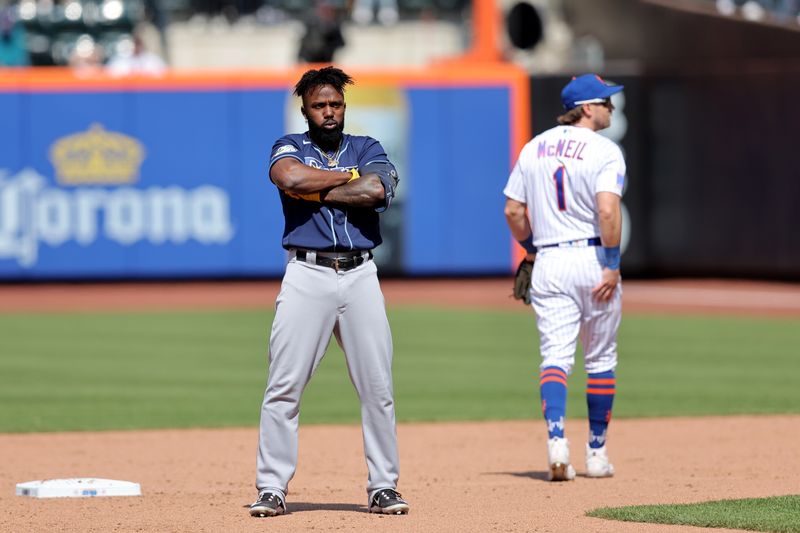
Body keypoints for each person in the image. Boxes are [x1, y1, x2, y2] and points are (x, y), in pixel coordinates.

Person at [250, 66, 408, 517]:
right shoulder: (290, 146)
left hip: (360, 275)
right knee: (285, 385)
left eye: (335, 104)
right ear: (305, 109)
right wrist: (344, 179)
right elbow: (290, 179)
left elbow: (376, 189)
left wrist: (321, 188)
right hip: (307, 273)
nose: (329, 112)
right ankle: (272, 487)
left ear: (345, 106)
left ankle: (384, 485)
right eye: (319, 105)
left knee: (377, 386)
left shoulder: (367, 147)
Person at [503, 74, 625, 481]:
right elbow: (608, 212)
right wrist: (611, 263)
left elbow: (513, 212)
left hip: (550, 260)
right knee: (600, 359)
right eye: (606, 101)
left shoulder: (533, 147)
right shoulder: (605, 150)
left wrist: (533, 250)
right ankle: (596, 453)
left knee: (555, 358)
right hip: (592, 258)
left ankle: (557, 441)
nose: (611, 107)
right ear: (587, 108)